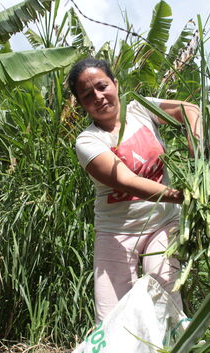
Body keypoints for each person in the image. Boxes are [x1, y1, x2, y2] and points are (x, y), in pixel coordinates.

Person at [68, 57, 201, 323]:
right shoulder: (88, 141)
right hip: (117, 232)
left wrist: (198, 145)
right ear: (82, 104)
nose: (99, 96)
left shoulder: (140, 109)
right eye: (87, 94)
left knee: (165, 295)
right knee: (111, 318)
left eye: (102, 86)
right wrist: (180, 195)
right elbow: (126, 181)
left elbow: (189, 109)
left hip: (163, 222)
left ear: (115, 84)